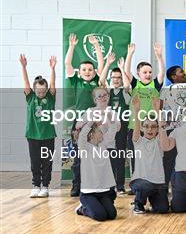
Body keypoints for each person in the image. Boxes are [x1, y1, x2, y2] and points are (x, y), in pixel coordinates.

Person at [65, 33, 105, 197]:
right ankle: (77, 185)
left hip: (96, 123)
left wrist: (96, 46)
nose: (87, 72)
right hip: (80, 122)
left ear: (94, 72)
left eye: (90, 69)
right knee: (79, 156)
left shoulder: (97, 80)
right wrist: (72, 46)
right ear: (79, 72)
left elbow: (101, 65)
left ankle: (95, 185)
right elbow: (68, 63)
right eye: (84, 70)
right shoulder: (76, 81)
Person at [123, 42, 165, 176]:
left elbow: (162, 71)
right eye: (145, 72)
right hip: (135, 127)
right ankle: (137, 180)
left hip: (152, 126)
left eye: (150, 72)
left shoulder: (156, 84)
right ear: (138, 73)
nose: (148, 74)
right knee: (135, 156)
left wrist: (159, 57)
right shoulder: (135, 84)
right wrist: (129, 55)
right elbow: (127, 71)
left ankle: (153, 179)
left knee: (154, 155)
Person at [19, 54, 57, 198]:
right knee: (35, 161)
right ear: (34, 90)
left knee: (47, 162)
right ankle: (36, 185)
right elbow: (26, 82)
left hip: (48, 135)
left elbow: (53, 84)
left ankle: (45, 185)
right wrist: (24, 67)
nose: (41, 93)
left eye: (43, 91)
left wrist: (53, 69)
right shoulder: (30, 97)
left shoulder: (50, 97)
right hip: (33, 135)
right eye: (38, 91)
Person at [129, 96, 169, 214]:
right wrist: (137, 111)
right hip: (140, 182)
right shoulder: (138, 141)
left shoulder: (159, 141)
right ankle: (138, 203)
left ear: (157, 129)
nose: (149, 129)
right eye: (146, 126)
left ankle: (152, 200)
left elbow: (162, 127)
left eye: (153, 126)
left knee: (162, 209)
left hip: (158, 184)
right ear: (142, 128)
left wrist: (158, 112)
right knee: (145, 186)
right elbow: (136, 125)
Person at [74, 117, 120, 221]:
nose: (102, 133)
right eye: (99, 131)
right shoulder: (84, 147)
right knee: (100, 216)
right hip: (88, 193)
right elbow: (82, 135)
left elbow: (112, 131)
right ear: (91, 134)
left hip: (103, 192)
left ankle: (96, 205)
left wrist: (109, 118)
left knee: (112, 214)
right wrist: (91, 121)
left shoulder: (103, 144)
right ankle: (82, 208)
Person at [160, 62, 186, 187]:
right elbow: (160, 108)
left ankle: (185, 187)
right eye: (181, 71)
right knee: (169, 158)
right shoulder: (165, 89)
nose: (184, 73)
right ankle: (164, 186)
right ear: (173, 76)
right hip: (171, 129)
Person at [99, 53, 131, 193]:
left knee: (120, 155)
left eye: (118, 78)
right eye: (114, 78)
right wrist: (107, 64)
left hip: (122, 127)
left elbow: (127, 85)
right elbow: (101, 82)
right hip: (108, 128)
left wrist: (122, 69)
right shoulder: (108, 92)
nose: (116, 80)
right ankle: (109, 184)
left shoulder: (125, 92)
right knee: (110, 155)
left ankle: (120, 185)